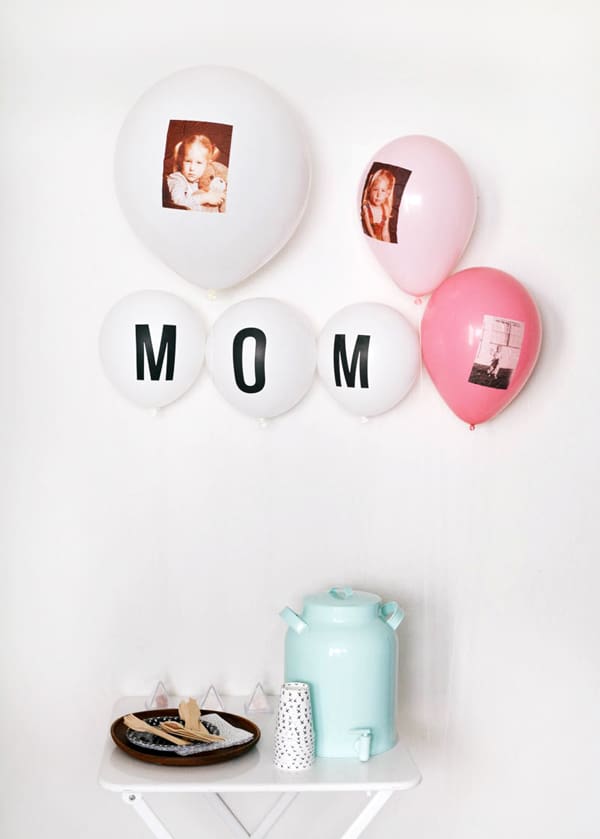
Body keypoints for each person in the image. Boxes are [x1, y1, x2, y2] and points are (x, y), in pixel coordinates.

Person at [165, 134, 228, 212]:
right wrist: (205, 198)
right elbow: (177, 203)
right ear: (181, 160)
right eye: (188, 161)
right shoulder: (177, 179)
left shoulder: (206, 181)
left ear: (207, 164)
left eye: (199, 163)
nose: (192, 168)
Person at [361, 169, 396, 242]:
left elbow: (385, 233)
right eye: (375, 189)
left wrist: (387, 245)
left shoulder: (385, 210)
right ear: (370, 190)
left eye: (383, 191)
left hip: (380, 242)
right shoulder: (366, 207)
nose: (378, 195)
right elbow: (370, 233)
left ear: (388, 193)